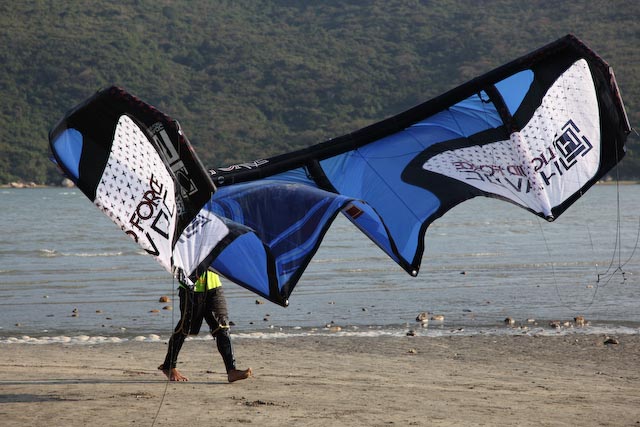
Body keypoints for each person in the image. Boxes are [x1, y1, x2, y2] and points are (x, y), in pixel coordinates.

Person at [158, 270, 252, 383]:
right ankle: (169, 366)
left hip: (214, 285)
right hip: (191, 286)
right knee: (185, 327)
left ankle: (231, 370)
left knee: (222, 326)